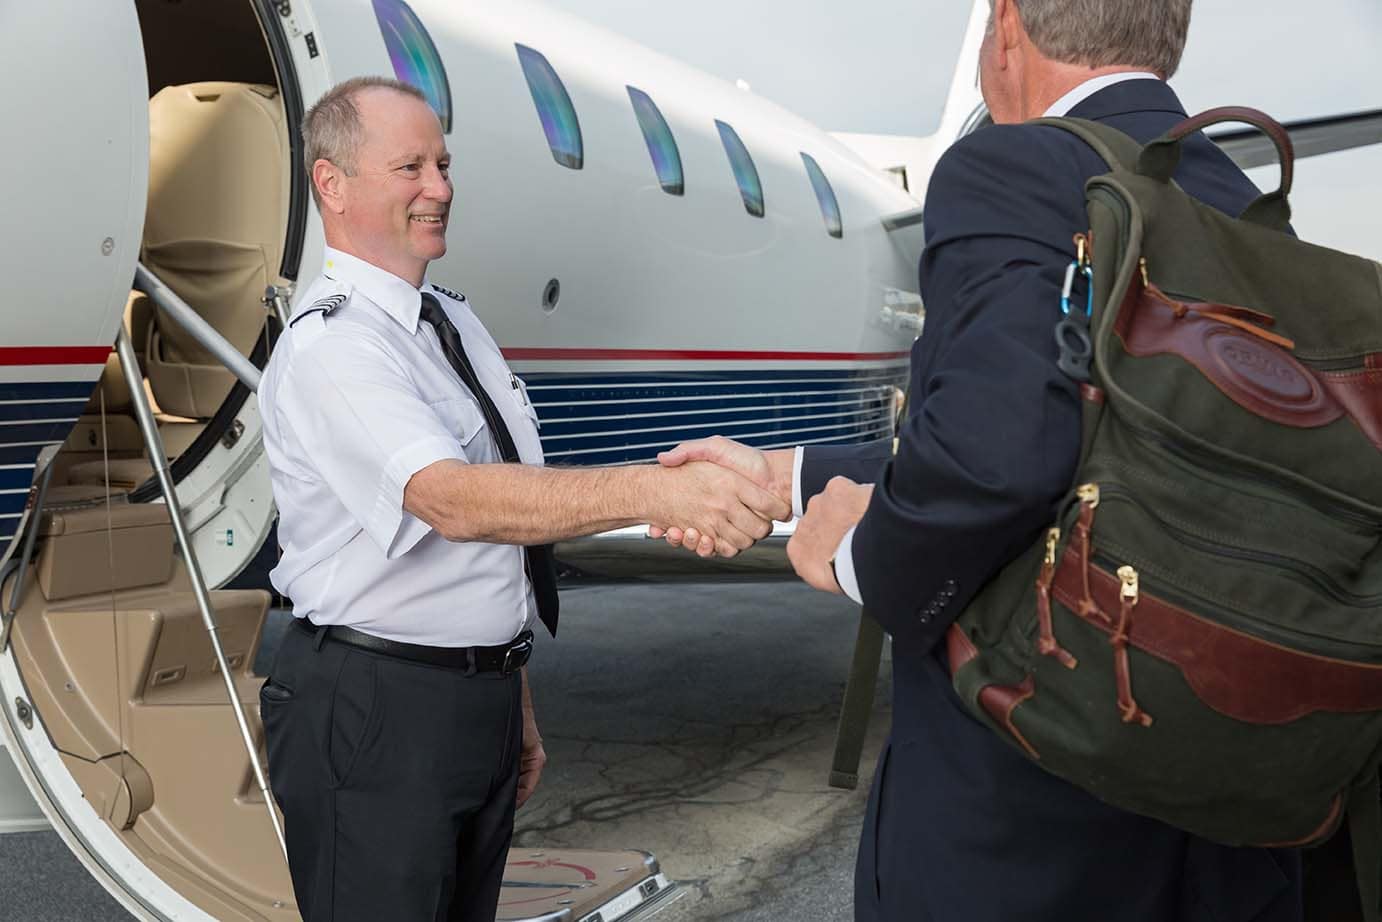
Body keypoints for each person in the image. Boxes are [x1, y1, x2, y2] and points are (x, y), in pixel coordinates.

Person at [653, 1, 1305, 919]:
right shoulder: (1241, 196)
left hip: (1039, 817)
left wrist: (858, 552)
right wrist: (791, 475)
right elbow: (1102, 449)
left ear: (1006, 25)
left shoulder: (1016, 167)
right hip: (1223, 797)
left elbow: (998, 461)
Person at [257, 76, 789, 922]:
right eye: (410, 167)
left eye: (443, 164)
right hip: (376, 706)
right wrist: (659, 491)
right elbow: (455, 501)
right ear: (333, 184)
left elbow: (495, 538)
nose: (440, 188)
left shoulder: (451, 322)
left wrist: (513, 690)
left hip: (474, 699)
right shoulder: (335, 346)